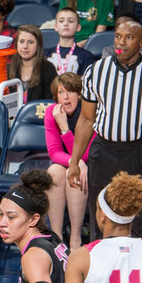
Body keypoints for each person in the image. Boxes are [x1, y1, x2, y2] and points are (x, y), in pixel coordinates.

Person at [67, 20, 142, 240]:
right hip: (103, 150)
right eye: (118, 36)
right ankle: (99, 270)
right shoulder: (96, 70)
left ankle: (140, 271)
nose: (121, 42)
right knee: (100, 216)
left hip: (138, 151)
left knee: (139, 219)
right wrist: (74, 160)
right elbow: (87, 120)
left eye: (129, 38)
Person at [45, 73, 93, 250]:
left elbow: (86, 154)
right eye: (61, 92)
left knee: (73, 173)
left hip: (88, 164)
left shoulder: (89, 112)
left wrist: (65, 128)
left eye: (70, 91)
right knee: (55, 172)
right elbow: (53, 152)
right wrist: (74, 161)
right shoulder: (52, 112)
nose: (65, 97)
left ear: (79, 95)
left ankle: (75, 238)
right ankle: (56, 237)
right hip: (69, 162)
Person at [10, 26, 59, 102]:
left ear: (38, 45)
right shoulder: (8, 69)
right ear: (16, 44)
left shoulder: (48, 69)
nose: (25, 46)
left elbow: (50, 102)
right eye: (21, 41)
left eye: (30, 42)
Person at [48, 8, 95, 75]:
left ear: (78, 27)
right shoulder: (45, 54)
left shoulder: (86, 56)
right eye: (61, 21)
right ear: (56, 27)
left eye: (71, 21)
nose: (66, 24)